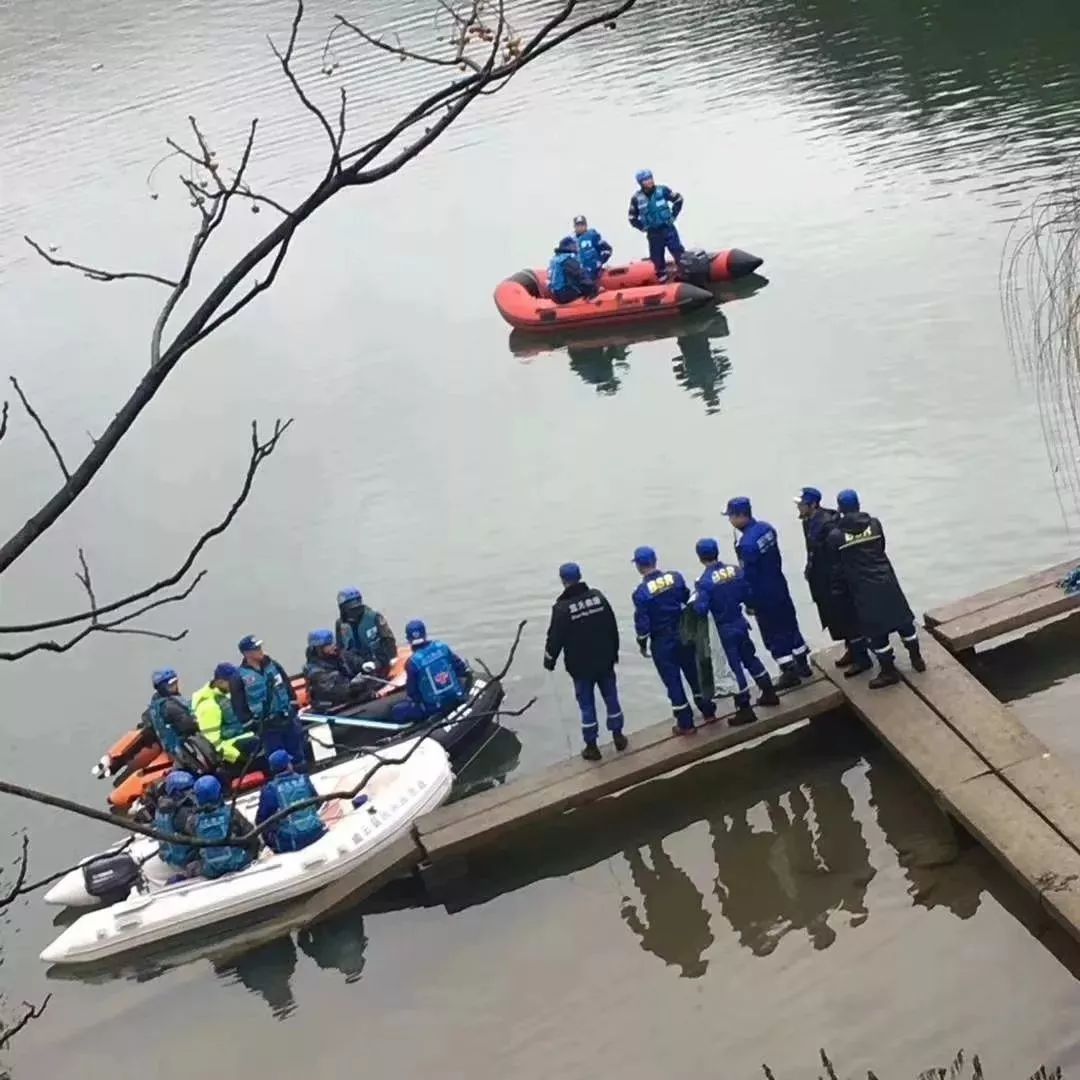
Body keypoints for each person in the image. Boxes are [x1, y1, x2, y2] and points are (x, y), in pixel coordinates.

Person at [826, 489, 925, 689]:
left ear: (840, 509)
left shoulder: (836, 536)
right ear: (858, 505)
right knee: (904, 623)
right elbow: (881, 547)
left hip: (864, 589)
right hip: (887, 581)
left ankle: (888, 671)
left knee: (877, 633)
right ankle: (917, 659)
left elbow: (836, 567)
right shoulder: (874, 524)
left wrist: (837, 592)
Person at [725, 497, 813, 689]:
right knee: (790, 624)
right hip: (779, 584)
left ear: (740, 516)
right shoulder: (766, 528)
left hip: (763, 594)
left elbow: (748, 576)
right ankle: (803, 664)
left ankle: (788, 671)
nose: (730, 521)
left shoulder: (747, 545)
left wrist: (749, 603)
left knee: (773, 632)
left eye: (731, 517)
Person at [543, 561, 626, 761]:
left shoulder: (562, 609)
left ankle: (592, 746)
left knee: (586, 705)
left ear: (563, 580)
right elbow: (612, 627)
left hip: (580, 668)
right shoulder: (598, 598)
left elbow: (554, 639)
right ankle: (618, 736)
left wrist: (549, 660)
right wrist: (614, 653)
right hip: (605, 661)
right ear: (580, 576)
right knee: (611, 698)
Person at [692, 538, 780, 726]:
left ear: (700, 557)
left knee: (735, 669)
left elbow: (700, 609)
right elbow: (747, 594)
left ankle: (744, 709)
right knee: (751, 658)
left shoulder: (704, 582)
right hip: (740, 623)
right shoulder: (735, 570)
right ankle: (769, 691)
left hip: (724, 629)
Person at [631, 545, 717, 735]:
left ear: (638, 566)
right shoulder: (675, 578)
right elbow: (687, 599)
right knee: (694, 673)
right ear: (655, 560)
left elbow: (643, 624)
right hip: (684, 633)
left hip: (662, 640)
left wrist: (642, 644)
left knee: (673, 681)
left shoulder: (641, 593)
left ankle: (686, 724)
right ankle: (708, 711)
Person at [795, 486, 871, 673]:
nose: (799, 508)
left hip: (834, 581)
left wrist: (837, 582)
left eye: (802, 504)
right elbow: (812, 551)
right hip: (821, 580)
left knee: (847, 619)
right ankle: (851, 650)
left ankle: (862, 657)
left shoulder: (827, 525)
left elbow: (835, 556)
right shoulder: (808, 522)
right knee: (835, 620)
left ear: (813, 504)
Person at [229, 635, 306, 764]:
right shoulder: (239, 677)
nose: (260, 650)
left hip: (287, 718)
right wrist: (251, 724)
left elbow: (286, 685)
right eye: (256, 648)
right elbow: (239, 705)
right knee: (277, 759)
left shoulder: (273, 665)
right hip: (267, 726)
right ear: (247, 653)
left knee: (298, 755)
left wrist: (293, 705)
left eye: (260, 647)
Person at [392, 619, 472, 724]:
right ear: (425, 634)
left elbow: (413, 693)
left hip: (434, 707)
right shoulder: (442, 647)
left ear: (409, 640)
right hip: (456, 697)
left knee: (397, 711)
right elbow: (461, 668)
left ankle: (415, 729)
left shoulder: (412, 663)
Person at [255, 749, 328, 854]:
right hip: (316, 832)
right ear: (288, 765)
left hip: (292, 842)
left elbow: (261, 821)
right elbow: (317, 803)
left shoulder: (269, 790)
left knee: (267, 826)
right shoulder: (304, 779)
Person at [189, 774, 260, 879]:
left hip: (211, 871)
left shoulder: (193, 821)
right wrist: (253, 854)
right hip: (238, 863)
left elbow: (194, 848)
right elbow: (252, 837)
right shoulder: (231, 813)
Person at [192, 662, 257, 767]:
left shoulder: (231, 692)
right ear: (220, 682)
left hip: (249, 735)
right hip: (234, 751)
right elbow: (212, 743)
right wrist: (238, 756)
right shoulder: (209, 706)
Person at [627, 169, 685, 281]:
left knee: (678, 251)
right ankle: (663, 280)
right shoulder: (636, 198)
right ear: (640, 183)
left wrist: (673, 216)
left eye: (650, 178)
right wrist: (642, 227)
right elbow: (632, 217)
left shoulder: (662, 190)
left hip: (668, 228)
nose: (649, 181)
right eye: (645, 180)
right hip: (653, 233)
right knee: (657, 258)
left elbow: (678, 199)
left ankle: (685, 274)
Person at [303, 628, 377, 709]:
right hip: (336, 707)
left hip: (354, 697)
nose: (333, 646)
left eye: (333, 643)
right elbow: (334, 691)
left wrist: (364, 667)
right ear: (319, 649)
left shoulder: (340, 655)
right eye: (329, 645)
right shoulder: (315, 671)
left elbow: (355, 662)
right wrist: (354, 684)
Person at [334, 588, 397, 678]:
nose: (355, 611)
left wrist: (379, 663)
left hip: (378, 662)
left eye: (357, 607)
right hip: (355, 666)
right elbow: (341, 649)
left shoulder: (374, 617)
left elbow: (388, 640)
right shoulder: (340, 624)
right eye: (351, 609)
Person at [146, 668, 199, 759]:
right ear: (163, 687)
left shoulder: (155, 703)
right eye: (171, 685)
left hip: (171, 749)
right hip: (183, 749)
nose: (175, 687)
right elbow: (189, 726)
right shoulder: (170, 706)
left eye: (175, 683)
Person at [153, 769, 198, 871]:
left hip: (173, 858)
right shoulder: (182, 813)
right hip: (189, 859)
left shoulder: (160, 809)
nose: (192, 791)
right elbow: (201, 831)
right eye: (188, 788)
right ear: (177, 792)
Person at [548, 235, 599, 304]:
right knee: (591, 289)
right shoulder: (567, 259)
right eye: (574, 244)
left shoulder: (556, 259)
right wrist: (593, 287)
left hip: (557, 293)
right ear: (568, 246)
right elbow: (579, 274)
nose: (576, 247)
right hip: (566, 292)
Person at [572, 214, 613, 285]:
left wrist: (600, 262)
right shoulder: (571, 241)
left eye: (582, 225)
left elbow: (607, 250)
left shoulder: (592, 236)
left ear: (586, 226)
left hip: (593, 273)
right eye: (578, 225)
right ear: (574, 227)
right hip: (579, 275)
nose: (580, 227)